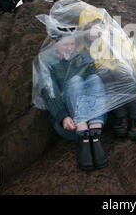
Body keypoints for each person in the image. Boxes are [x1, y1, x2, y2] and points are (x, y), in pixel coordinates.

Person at [77, 8, 136, 141]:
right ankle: (121, 117)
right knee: (100, 75)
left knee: (118, 70)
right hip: (114, 100)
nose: (93, 31)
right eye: (88, 28)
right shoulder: (84, 50)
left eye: (96, 26)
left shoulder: (118, 41)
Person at [39, 35, 108, 171]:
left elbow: (95, 84)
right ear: (54, 42)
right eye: (66, 44)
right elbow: (49, 92)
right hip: (72, 124)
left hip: (94, 118)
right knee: (75, 81)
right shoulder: (47, 62)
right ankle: (84, 135)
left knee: (94, 78)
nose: (70, 48)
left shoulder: (81, 56)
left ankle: (94, 136)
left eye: (72, 44)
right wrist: (63, 116)